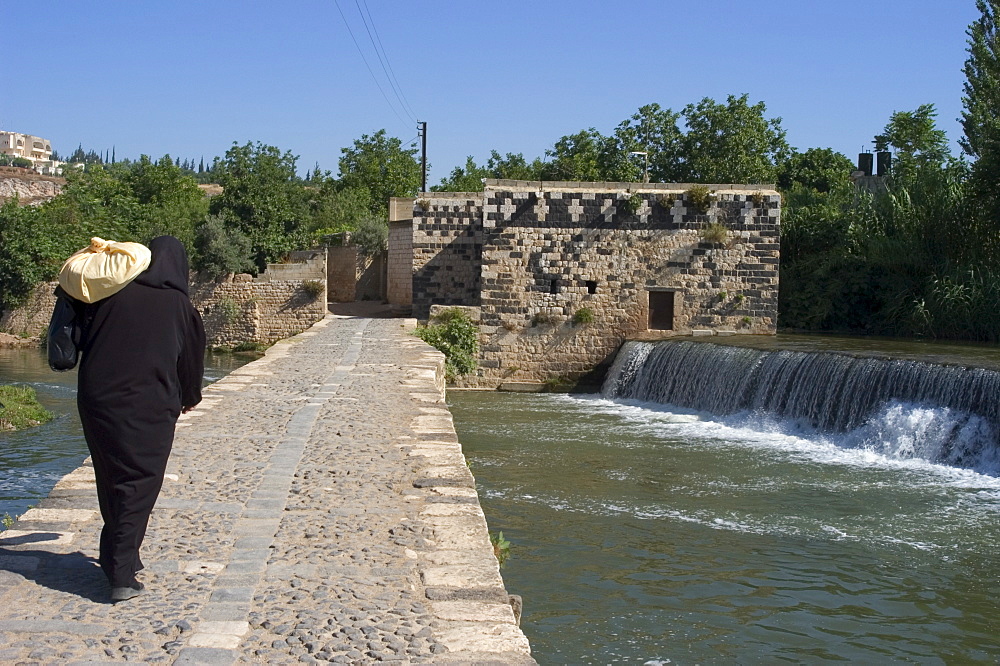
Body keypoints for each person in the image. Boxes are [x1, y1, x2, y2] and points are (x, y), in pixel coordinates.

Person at [74, 236, 205, 602]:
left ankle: (120, 554)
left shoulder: (109, 293)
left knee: (111, 474)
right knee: (140, 481)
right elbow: (191, 360)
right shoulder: (178, 303)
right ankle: (120, 576)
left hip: (96, 400)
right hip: (147, 404)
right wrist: (190, 397)